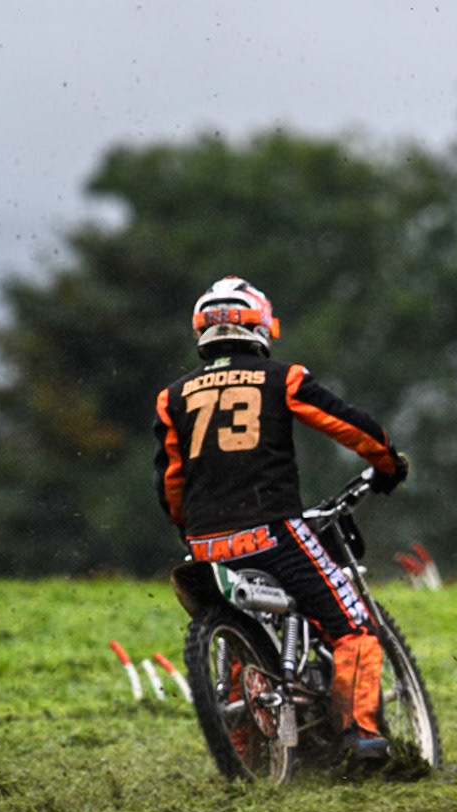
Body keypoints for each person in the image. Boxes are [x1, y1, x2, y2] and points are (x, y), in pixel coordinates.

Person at [152, 276, 408, 763]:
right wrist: (388, 464)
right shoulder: (280, 377)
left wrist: (193, 528)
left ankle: (248, 748)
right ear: (260, 325)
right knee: (352, 623)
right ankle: (361, 734)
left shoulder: (173, 396)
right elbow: (351, 425)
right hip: (272, 531)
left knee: (240, 632)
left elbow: (171, 484)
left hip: (206, 546)